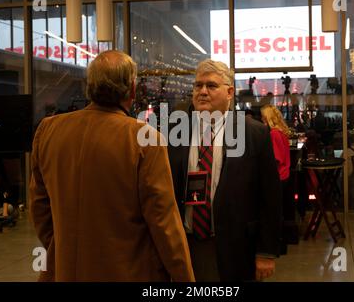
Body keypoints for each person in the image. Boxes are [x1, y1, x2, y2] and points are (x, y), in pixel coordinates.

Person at [29, 50, 194, 282]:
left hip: (65, 270)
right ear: (133, 89)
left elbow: (39, 208)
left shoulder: (48, 130)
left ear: (90, 86)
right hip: (129, 272)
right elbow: (163, 223)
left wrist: (66, 248)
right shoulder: (145, 139)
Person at [168, 59, 282, 281]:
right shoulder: (175, 132)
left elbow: (270, 197)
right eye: (197, 86)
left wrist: (266, 252)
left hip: (236, 247)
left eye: (211, 86)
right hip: (186, 244)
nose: (202, 91)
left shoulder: (254, 134)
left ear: (229, 92)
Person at [261, 105, 297, 252]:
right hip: (285, 175)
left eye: (263, 118)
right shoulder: (281, 133)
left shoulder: (273, 134)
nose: (262, 121)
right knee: (279, 211)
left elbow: (276, 159)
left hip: (278, 178)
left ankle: (277, 245)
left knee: (273, 213)